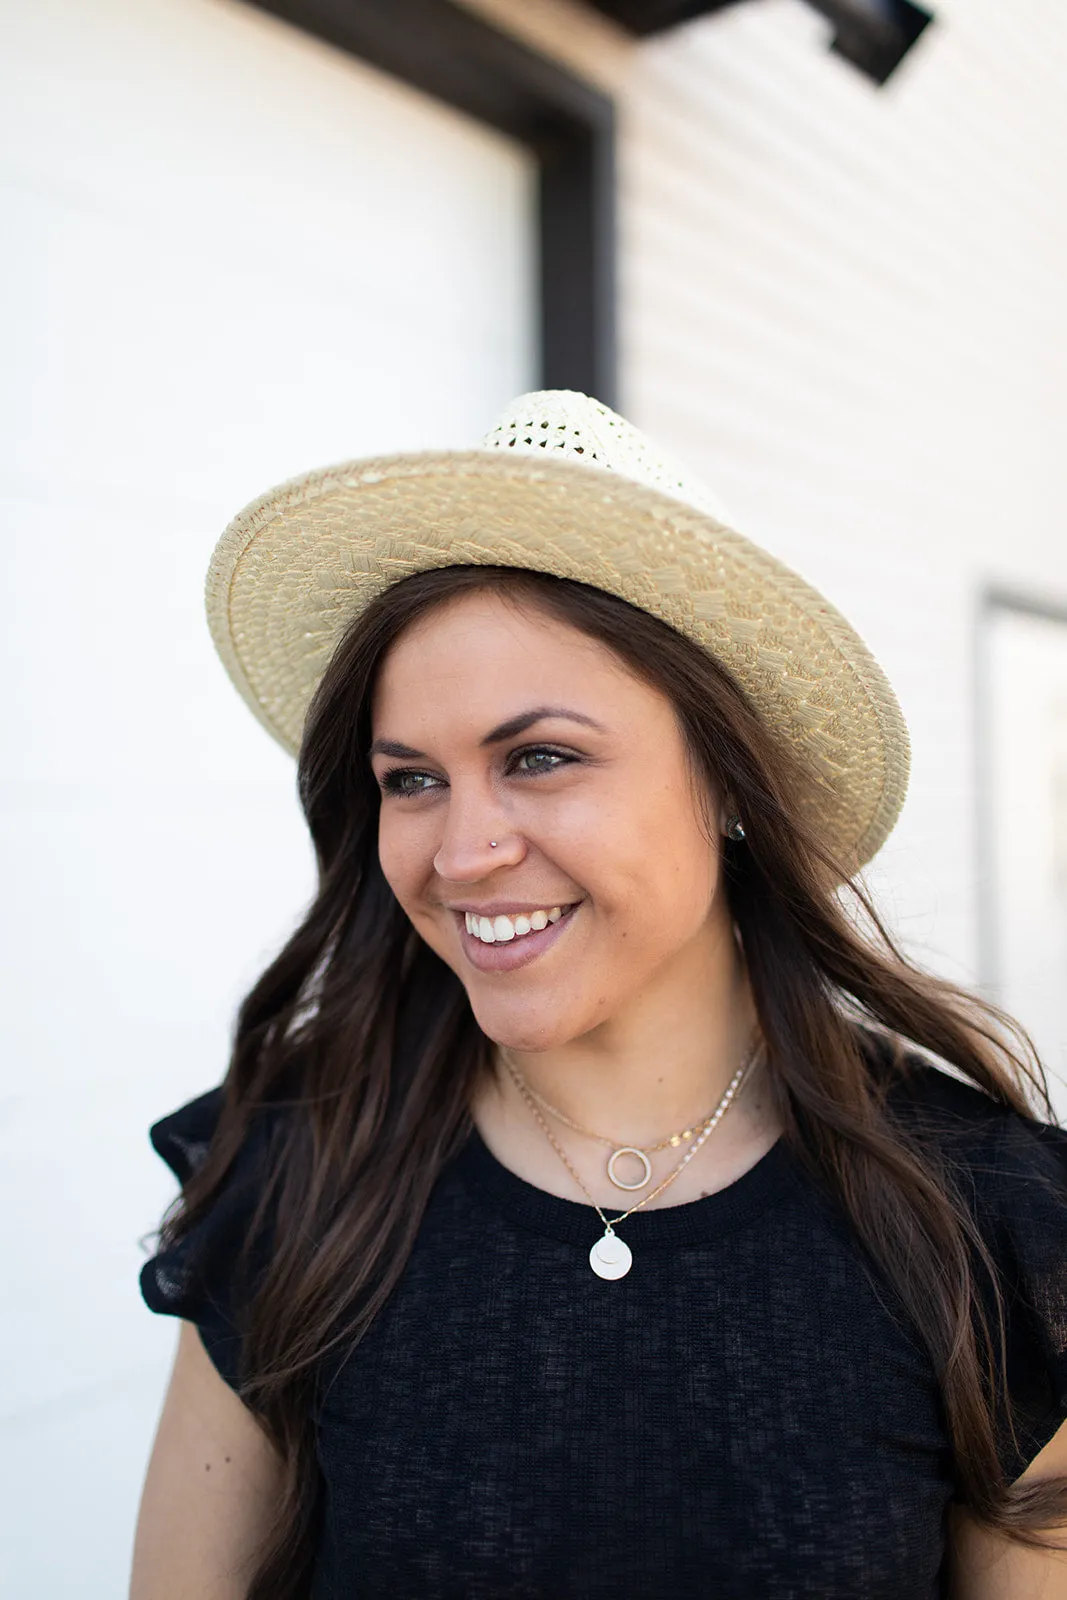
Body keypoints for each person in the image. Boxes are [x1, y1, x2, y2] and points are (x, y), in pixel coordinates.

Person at [131, 390, 1067, 1600]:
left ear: (728, 778)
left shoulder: (979, 1220)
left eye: (538, 757)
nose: (461, 851)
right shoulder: (301, 1168)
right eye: (410, 779)